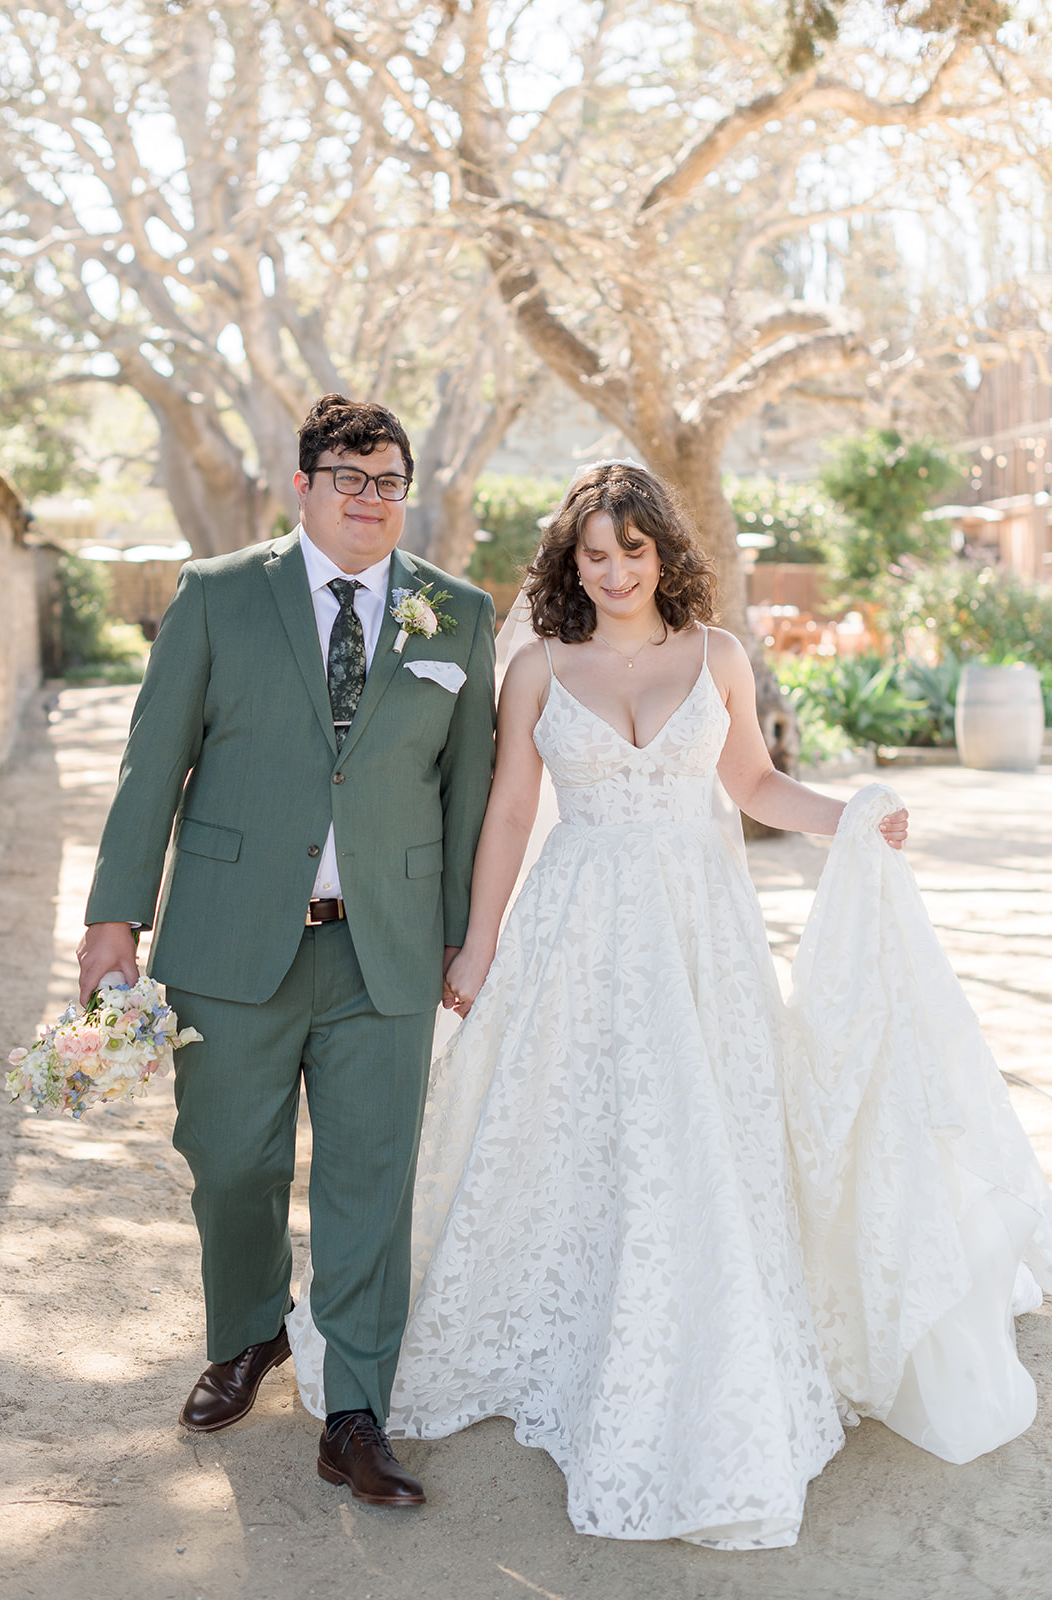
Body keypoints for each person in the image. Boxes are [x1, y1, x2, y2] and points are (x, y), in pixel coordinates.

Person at [285, 459, 1052, 1546]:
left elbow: (752, 789)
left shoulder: (718, 656)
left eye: (631, 552)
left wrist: (855, 812)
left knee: (700, 1134)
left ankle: (703, 1339)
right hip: (578, 929)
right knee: (573, 1126)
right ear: (572, 562)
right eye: (593, 555)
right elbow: (508, 814)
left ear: (663, 551)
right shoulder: (542, 669)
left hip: (700, 938)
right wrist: (481, 942)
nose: (612, 573)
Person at [77, 394, 496, 1508]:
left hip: (386, 954)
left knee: (370, 1182)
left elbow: (467, 794)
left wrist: (462, 935)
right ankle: (251, 1329)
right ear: (302, 486)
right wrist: (114, 915)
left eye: (389, 480)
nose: (370, 499)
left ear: (408, 493)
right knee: (231, 1161)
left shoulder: (458, 614)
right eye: (348, 479)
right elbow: (150, 758)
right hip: (227, 943)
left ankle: (353, 1408)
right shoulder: (219, 595)